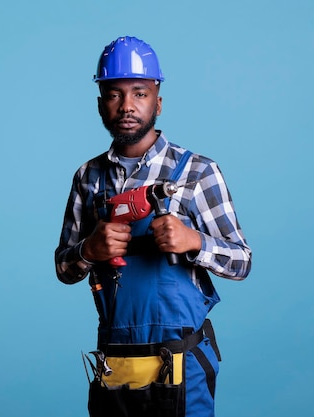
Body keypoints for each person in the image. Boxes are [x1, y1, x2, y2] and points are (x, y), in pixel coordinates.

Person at [55, 36, 252, 417]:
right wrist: (87, 251)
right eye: (114, 94)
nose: (127, 105)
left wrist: (194, 240)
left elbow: (242, 261)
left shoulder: (198, 172)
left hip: (180, 361)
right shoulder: (88, 177)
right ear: (101, 104)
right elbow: (64, 268)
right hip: (116, 362)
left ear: (158, 101)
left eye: (140, 93)